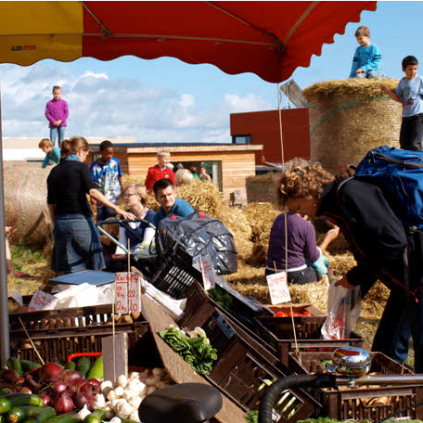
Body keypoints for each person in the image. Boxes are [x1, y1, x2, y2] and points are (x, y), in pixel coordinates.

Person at [276, 159, 423, 371]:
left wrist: (353, 278)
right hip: (405, 281)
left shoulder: (350, 194)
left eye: (298, 207)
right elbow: (374, 256)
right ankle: (387, 389)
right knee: (385, 346)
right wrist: (351, 293)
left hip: (417, 274)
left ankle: (416, 400)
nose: (302, 214)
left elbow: (393, 242)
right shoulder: (341, 208)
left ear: (310, 194)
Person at [47, 136, 134, 273]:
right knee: (87, 268)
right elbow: (93, 191)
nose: (85, 158)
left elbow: (51, 204)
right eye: (86, 155)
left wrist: (55, 225)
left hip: (61, 224)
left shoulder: (54, 171)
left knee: (68, 270)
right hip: (79, 222)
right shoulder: (81, 167)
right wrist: (117, 208)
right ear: (81, 151)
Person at [266, 210, 339, 284]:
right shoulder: (306, 225)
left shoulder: (279, 218)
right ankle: (326, 282)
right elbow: (313, 257)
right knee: (320, 263)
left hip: (271, 272)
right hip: (294, 275)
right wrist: (328, 239)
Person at [107, 184, 156, 271]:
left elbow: (146, 245)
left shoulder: (150, 216)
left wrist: (126, 256)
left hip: (143, 257)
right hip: (128, 256)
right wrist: (118, 255)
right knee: (108, 264)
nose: (126, 198)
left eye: (129, 195)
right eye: (125, 195)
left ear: (139, 197)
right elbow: (122, 241)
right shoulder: (124, 216)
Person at [381, 55, 423, 152]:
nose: (413, 72)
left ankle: (419, 164)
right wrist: (387, 91)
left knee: (415, 143)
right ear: (403, 69)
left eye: (415, 69)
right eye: (410, 69)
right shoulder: (402, 83)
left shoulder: (420, 80)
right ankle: (406, 165)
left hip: (418, 116)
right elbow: (399, 98)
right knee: (404, 143)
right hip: (406, 116)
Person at [90, 140, 124, 222]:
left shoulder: (115, 162)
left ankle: (111, 233)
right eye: (107, 153)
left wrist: (122, 186)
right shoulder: (94, 166)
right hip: (100, 196)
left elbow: (119, 175)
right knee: (101, 217)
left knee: (111, 214)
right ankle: (101, 234)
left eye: (112, 153)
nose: (110, 156)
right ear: (101, 152)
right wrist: (92, 197)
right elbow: (91, 182)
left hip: (112, 195)